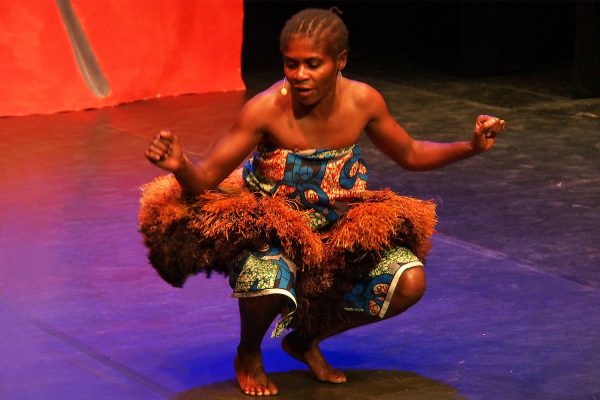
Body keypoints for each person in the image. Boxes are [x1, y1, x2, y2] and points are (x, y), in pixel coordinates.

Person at [140, 8, 505, 397]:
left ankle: (305, 339)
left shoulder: (364, 101)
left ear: (340, 61)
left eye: (313, 64)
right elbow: (206, 179)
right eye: (291, 64)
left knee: (409, 282)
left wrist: (470, 147)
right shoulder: (265, 109)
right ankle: (248, 353)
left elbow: (411, 153)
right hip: (272, 224)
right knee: (268, 278)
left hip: (337, 226)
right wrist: (180, 166)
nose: (299, 75)